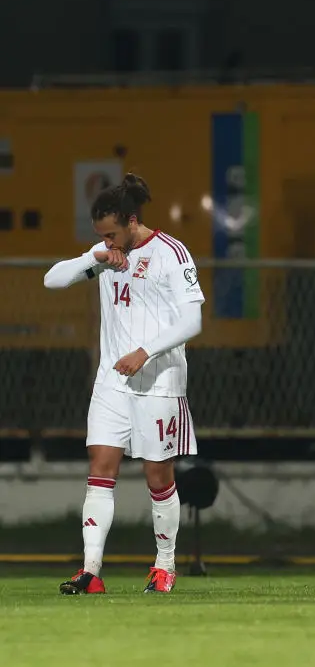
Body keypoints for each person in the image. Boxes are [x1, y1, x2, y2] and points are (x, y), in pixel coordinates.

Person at [44, 173, 204, 595]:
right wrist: (94, 257)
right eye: (101, 236)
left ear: (132, 222)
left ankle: (164, 566)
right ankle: (90, 572)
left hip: (159, 382)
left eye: (112, 234)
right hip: (112, 382)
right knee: (100, 467)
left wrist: (144, 351)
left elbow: (193, 320)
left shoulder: (172, 253)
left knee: (157, 474)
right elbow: (52, 279)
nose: (108, 242)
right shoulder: (105, 253)